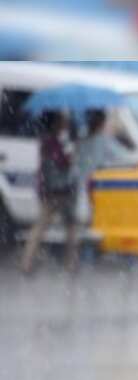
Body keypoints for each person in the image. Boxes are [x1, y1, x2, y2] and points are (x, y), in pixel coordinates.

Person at [72, 109, 138, 260]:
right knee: (97, 225)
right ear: (102, 123)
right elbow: (125, 157)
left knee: (85, 226)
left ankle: (83, 259)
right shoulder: (103, 141)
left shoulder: (82, 140)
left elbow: (75, 164)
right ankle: (95, 256)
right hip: (99, 189)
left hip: (82, 189)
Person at [20, 110, 80, 276]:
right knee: (71, 227)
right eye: (63, 121)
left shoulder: (46, 141)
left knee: (40, 227)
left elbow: (45, 168)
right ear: (58, 123)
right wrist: (71, 155)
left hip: (48, 190)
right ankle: (70, 264)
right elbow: (66, 163)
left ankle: (27, 262)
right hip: (62, 192)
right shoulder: (59, 142)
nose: (66, 123)